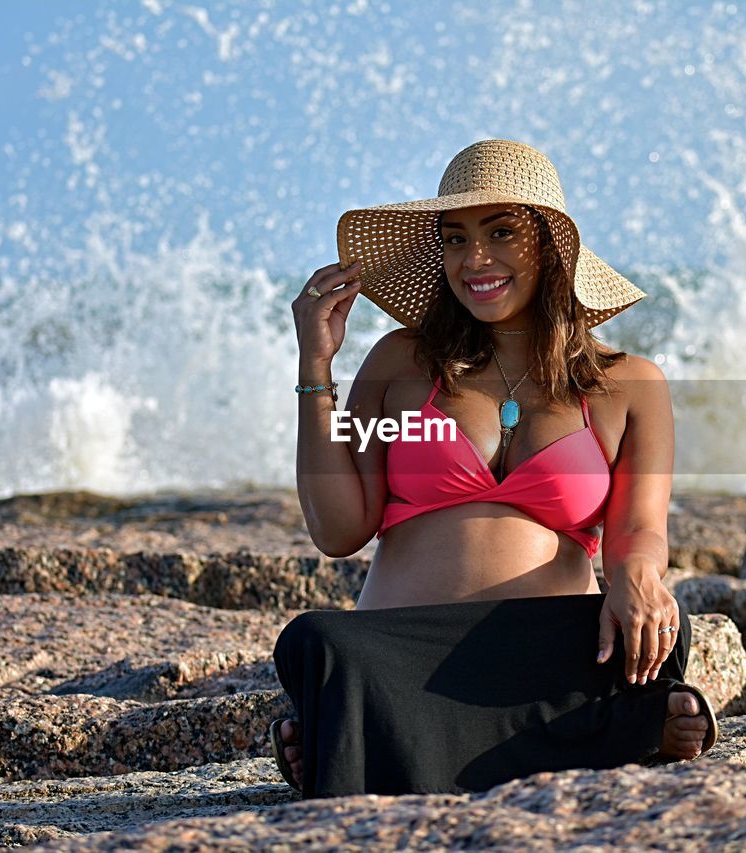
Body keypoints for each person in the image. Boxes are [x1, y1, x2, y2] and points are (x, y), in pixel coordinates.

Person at [271, 139, 717, 799]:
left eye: (501, 232)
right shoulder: (399, 366)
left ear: (551, 245)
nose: (474, 260)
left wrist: (639, 579)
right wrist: (315, 369)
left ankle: (362, 737)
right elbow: (338, 529)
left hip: (545, 651)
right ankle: (614, 732)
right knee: (323, 644)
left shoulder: (630, 387)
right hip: (405, 653)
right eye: (455, 239)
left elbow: (640, 528)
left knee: (655, 639)